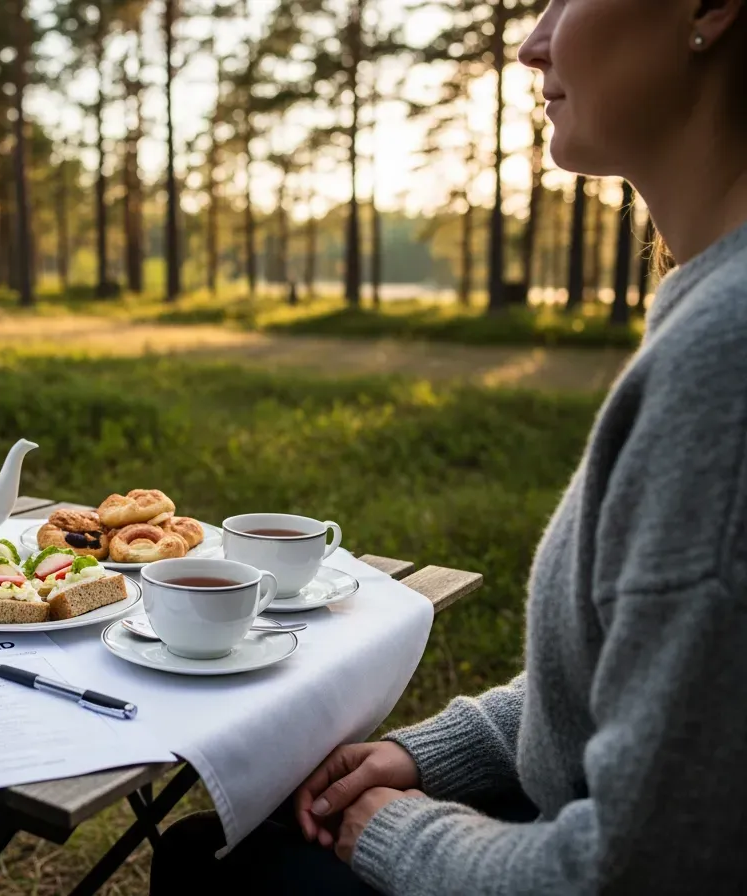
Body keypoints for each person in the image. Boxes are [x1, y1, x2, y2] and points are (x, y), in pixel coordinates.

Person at [151, 0, 747, 892]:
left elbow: (639, 869)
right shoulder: (711, 311)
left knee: (214, 872)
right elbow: (652, 693)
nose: (530, 40)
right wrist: (438, 753)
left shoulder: (725, 360)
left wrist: (405, 836)